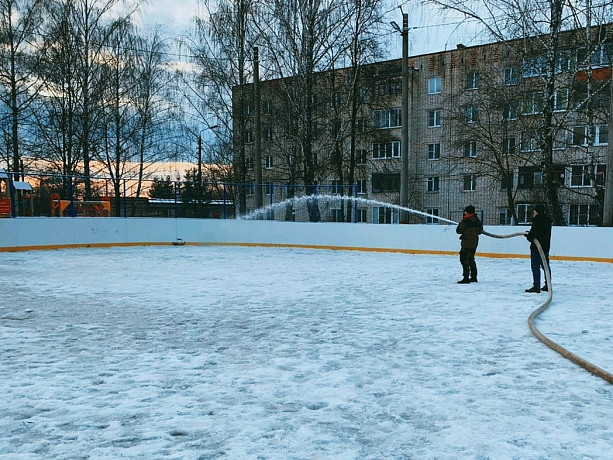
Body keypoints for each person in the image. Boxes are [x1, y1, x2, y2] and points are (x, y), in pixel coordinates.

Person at [524, 204, 552, 293]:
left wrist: (528, 236)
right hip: (545, 247)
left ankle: (536, 286)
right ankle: (548, 285)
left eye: (535, 210)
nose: (533, 212)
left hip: (537, 248)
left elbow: (533, 234)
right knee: (545, 266)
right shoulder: (547, 220)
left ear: (538, 211)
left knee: (535, 267)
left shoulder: (537, 220)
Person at [456, 205, 483, 284]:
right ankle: (474, 277)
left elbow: (458, 231)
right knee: (471, 259)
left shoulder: (465, 221)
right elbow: (480, 231)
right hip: (474, 243)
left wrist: (461, 224)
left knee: (464, 259)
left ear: (468, 213)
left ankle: (466, 278)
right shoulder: (477, 221)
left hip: (466, 243)